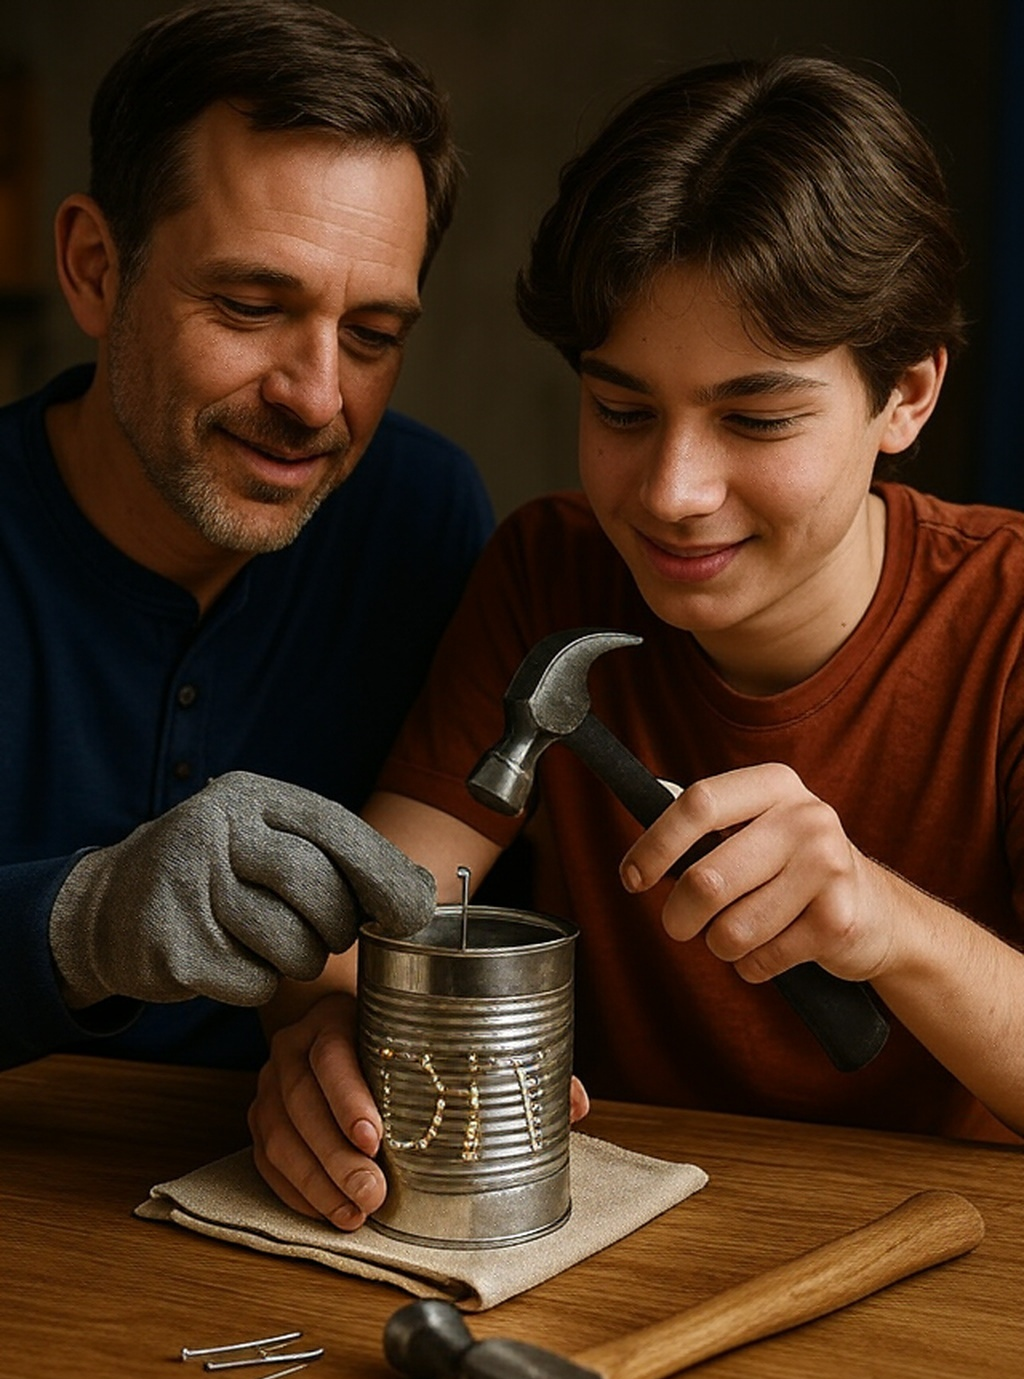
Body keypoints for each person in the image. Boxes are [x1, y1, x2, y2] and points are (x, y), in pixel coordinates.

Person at [250, 53, 1024, 1232]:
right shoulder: (549, 572)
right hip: (617, 1231)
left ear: (905, 395)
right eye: (620, 410)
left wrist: (884, 921)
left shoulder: (1009, 619)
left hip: (932, 1252)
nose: (670, 492)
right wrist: (325, 1034)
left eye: (755, 418)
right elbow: (386, 922)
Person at [0, 1, 494, 1072]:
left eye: (370, 335)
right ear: (94, 267)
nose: (317, 399)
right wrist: (80, 922)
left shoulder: (422, 516)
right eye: (249, 306)